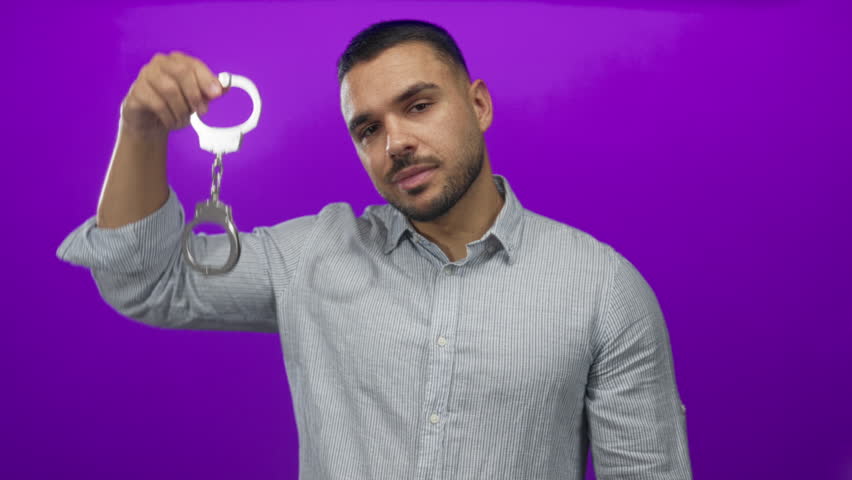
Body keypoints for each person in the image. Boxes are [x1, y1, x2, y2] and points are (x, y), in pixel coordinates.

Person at [57, 19, 692, 480]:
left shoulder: (602, 289)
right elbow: (144, 280)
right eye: (369, 129)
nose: (395, 143)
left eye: (418, 106)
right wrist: (139, 130)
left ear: (478, 105)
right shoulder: (310, 257)